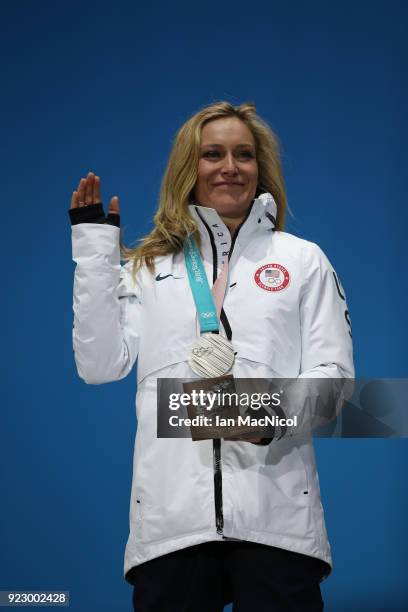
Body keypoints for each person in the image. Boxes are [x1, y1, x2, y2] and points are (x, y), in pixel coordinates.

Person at [68, 101, 354, 611]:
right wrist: (94, 253)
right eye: (212, 154)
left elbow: (336, 382)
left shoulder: (302, 260)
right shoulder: (148, 269)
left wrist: (261, 415)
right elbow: (99, 365)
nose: (229, 167)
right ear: (189, 168)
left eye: (244, 154)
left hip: (277, 522)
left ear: (260, 167)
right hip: (171, 524)